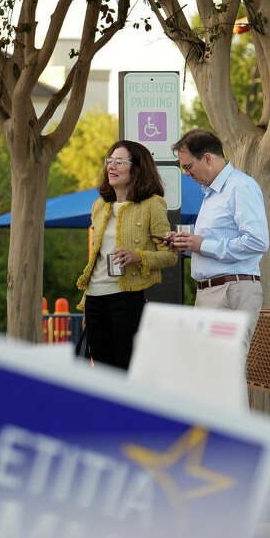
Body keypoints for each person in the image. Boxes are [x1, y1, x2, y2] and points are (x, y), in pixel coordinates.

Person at [75, 140, 177, 369]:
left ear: (137, 168)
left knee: (126, 369)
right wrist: (86, 306)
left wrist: (138, 256)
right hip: (94, 301)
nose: (111, 166)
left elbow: (170, 256)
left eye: (119, 161)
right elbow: (95, 260)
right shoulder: (99, 205)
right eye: (109, 161)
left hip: (127, 299)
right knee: (101, 372)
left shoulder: (153, 204)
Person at [167, 130, 269, 347]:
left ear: (207, 158)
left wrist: (202, 244)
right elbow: (209, 246)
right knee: (209, 370)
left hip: (231, 290)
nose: (186, 174)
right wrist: (185, 244)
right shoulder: (211, 193)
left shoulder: (241, 187)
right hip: (212, 291)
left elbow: (257, 241)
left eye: (188, 166)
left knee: (227, 368)